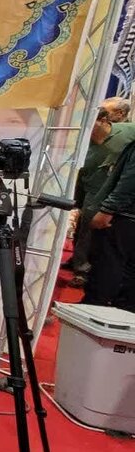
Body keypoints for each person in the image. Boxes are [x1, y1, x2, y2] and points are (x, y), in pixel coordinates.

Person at [67, 106, 135, 286]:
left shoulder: (128, 131)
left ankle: (87, 270)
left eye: (90, 123)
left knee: (103, 234)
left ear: (104, 120)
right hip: (91, 190)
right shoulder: (82, 143)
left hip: (117, 192)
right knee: (84, 229)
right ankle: (80, 264)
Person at [82, 136, 135, 311]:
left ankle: (92, 310)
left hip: (124, 216)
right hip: (127, 216)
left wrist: (107, 209)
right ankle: (122, 313)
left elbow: (129, 182)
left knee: (108, 266)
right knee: (127, 274)